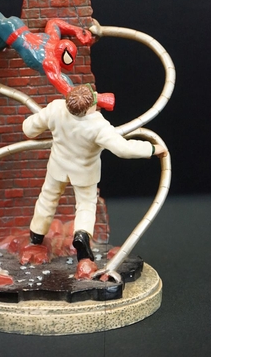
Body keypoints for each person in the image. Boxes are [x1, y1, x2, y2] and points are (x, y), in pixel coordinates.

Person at [22, 84, 167, 263]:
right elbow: (124, 149)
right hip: (84, 173)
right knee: (85, 205)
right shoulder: (98, 125)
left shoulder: (56, 108)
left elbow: (29, 129)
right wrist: (151, 148)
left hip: (58, 167)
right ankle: (82, 236)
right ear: (89, 107)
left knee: (47, 198)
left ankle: (36, 235)